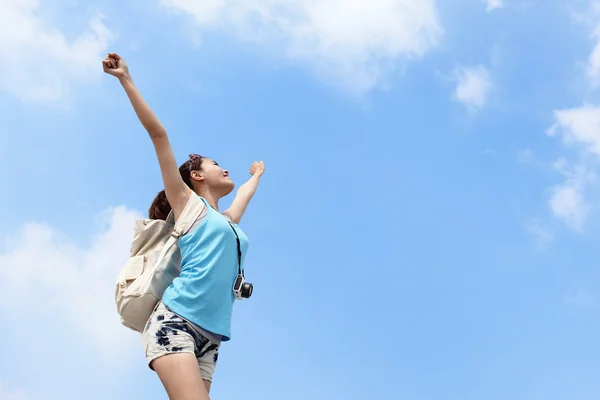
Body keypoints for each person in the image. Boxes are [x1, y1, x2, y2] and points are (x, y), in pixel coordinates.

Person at [102, 52, 265, 400]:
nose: (225, 168)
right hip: (176, 322)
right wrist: (125, 79)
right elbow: (159, 135)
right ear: (196, 175)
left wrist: (257, 176)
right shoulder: (189, 208)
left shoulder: (227, 223)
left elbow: (244, 199)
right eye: (216, 163)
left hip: (212, 339)